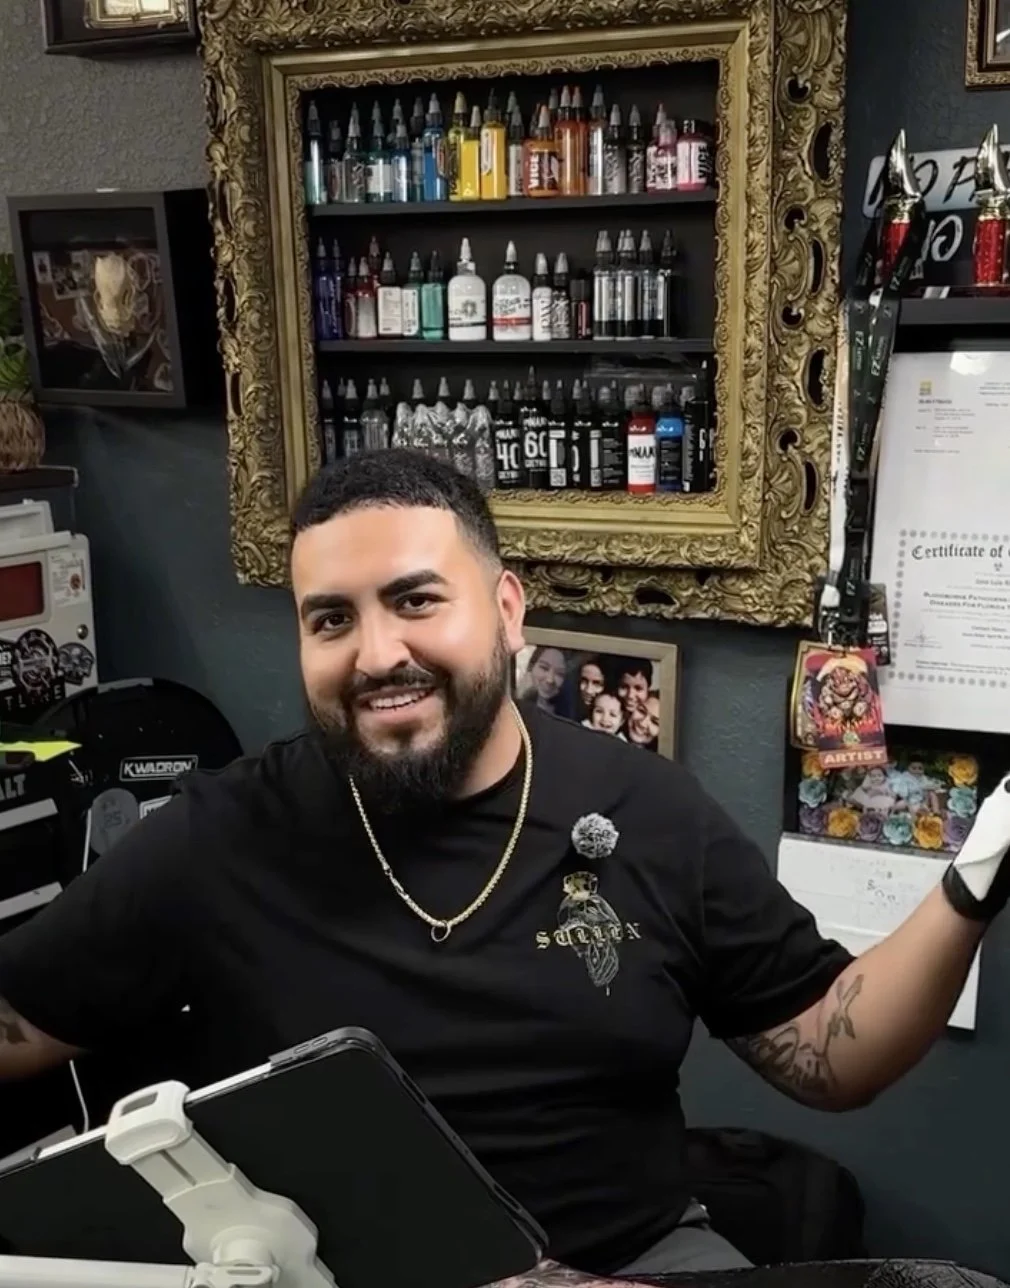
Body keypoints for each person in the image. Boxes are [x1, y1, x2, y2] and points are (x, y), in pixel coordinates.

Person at [0, 450, 1004, 1277]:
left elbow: (830, 1052)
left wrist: (980, 867)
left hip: (631, 1263)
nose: (376, 651)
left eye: (415, 600)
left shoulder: (646, 814)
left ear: (507, 609)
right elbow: (24, 1026)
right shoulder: (222, 833)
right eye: (330, 618)